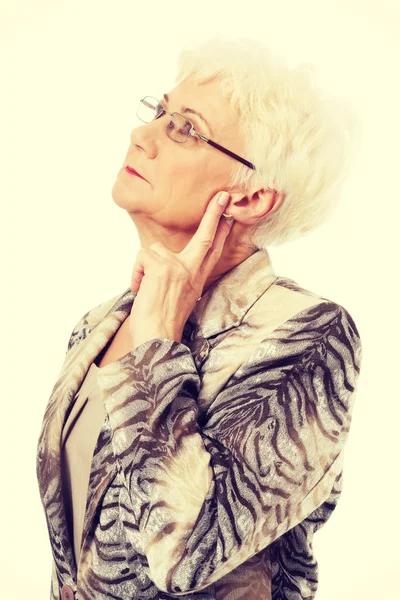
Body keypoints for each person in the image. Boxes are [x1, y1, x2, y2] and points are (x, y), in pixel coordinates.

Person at [36, 35, 363, 600]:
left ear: (250, 198)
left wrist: (156, 348)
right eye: (159, 113)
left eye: (185, 127)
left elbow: (188, 555)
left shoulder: (308, 335)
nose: (142, 135)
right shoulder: (99, 325)